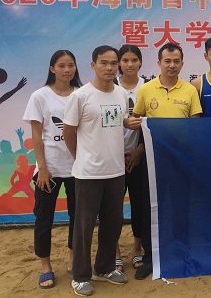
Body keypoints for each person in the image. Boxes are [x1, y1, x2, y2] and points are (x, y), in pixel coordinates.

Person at [64, 45, 141, 296]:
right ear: (93, 65)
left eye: (113, 63)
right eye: (104, 63)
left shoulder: (121, 94)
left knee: (113, 223)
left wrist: (130, 122)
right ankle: (80, 275)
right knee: (84, 226)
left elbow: (119, 121)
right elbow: (68, 131)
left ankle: (104, 268)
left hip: (116, 171)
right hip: (89, 173)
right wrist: (80, 158)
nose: (109, 68)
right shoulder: (80, 96)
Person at [131, 42, 202, 279]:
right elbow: (137, 119)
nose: (172, 65)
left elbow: (195, 125)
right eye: (167, 61)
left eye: (176, 61)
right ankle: (150, 257)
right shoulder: (146, 89)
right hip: (152, 160)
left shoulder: (190, 90)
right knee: (150, 207)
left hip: (180, 159)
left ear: (182, 64)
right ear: (159, 63)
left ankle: (182, 252)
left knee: (181, 206)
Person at [23, 50, 82, 289]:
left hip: (78, 168)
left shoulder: (82, 94)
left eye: (71, 65)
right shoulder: (40, 96)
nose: (67, 70)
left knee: (78, 218)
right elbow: (37, 135)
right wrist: (43, 168)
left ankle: (73, 259)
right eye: (61, 65)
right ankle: (45, 266)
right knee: (44, 218)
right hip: (49, 169)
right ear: (52, 68)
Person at [113, 45, 147, 274]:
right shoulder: (109, 87)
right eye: (125, 60)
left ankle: (137, 249)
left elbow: (153, 122)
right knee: (112, 208)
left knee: (140, 205)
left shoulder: (148, 87)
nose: (130, 64)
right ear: (119, 63)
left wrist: (139, 150)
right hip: (113, 158)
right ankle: (115, 253)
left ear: (140, 62)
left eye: (134, 60)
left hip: (140, 157)